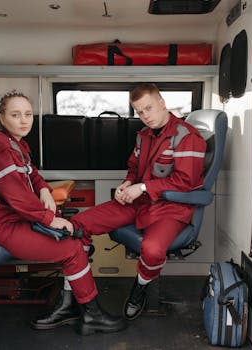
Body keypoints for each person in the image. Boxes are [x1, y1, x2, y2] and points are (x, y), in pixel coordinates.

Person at [33, 83, 207, 324]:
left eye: (149, 108)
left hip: (171, 208)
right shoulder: (143, 136)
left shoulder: (188, 137)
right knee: (76, 225)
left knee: (153, 250)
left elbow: (185, 182)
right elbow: (134, 167)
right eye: (140, 111)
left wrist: (143, 187)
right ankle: (71, 299)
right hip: (138, 202)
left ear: (162, 103)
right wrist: (127, 184)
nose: (145, 116)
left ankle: (141, 287)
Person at [0, 90, 126, 335]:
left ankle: (71, 306)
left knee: (76, 238)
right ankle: (92, 315)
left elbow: (33, 175)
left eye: (28, 114)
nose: (24, 120)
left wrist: (44, 190)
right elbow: (17, 199)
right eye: (15, 115)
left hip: (20, 220)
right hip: (6, 226)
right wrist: (51, 219)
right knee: (72, 250)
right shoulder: (1, 149)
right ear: (2, 117)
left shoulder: (15, 143)